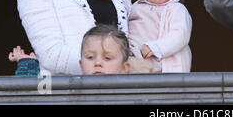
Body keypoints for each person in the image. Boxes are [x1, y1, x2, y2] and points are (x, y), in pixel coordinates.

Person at [9, 25, 153, 75]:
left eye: (107, 58)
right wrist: (28, 63)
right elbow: (32, 94)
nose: (98, 63)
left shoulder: (131, 92)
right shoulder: (72, 88)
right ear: (81, 64)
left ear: (125, 67)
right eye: (90, 57)